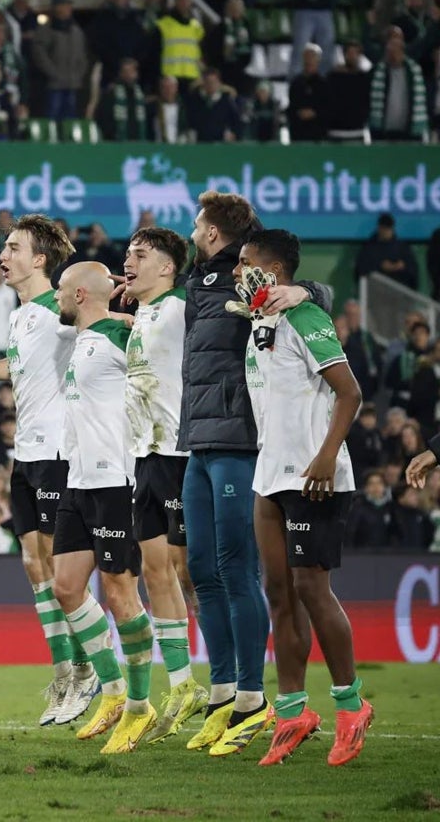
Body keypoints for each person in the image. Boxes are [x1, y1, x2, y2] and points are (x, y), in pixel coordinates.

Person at [180, 191, 332, 756]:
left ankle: (252, 697)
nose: (194, 230)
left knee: (234, 565)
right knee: (199, 568)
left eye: (199, 223)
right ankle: (222, 694)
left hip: (239, 438)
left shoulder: (250, 277)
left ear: (217, 233)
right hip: (195, 436)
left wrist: (305, 289)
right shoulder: (199, 282)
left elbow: (311, 294)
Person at [230, 229, 373, 767]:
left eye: (246, 263)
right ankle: (291, 715)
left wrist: (325, 455)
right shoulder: (259, 321)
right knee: (278, 591)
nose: (239, 272)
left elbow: (350, 390)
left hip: (315, 474)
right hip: (270, 474)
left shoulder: (303, 316)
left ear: (275, 268)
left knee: (313, 588)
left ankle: (351, 705)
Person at [0, 215, 98, 727]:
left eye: (14, 247)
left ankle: (88, 668)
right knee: (33, 564)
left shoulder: (61, 309)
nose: (5, 253)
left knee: (63, 573)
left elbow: (104, 320)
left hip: (62, 452)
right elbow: (20, 367)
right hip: (28, 455)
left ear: (39, 259)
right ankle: (65, 670)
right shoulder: (19, 318)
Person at [50, 261, 156, 754]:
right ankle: (112, 692)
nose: (55, 299)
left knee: (120, 593)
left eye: (58, 291)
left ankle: (139, 706)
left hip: (115, 481)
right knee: (67, 588)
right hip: (78, 481)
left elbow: (158, 368)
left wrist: (138, 322)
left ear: (79, 293)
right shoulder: (82, 341)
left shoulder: (120, 332)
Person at [121, 227, 210, 742]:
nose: (129, 261)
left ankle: (235, 683)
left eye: (141, 254)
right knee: (156, 571)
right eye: (128, 253)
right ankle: (182, 684)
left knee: (189, 569)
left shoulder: (183, 305)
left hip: (181, 452)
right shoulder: (144, 316)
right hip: (146, 456)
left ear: (170, 267)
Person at [31, 0, 88, 122]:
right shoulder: (45, 30)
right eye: (64, 5)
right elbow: (39, 55)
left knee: (70, 117)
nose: (68, 9)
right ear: (56, 8)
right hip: (53, 84)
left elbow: (82, 55)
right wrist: (53, 73)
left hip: (73, 83)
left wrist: (79, 73)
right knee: (52, 114)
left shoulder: (76, 31)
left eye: (69, 6)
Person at [355, 213, 419, 290]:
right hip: (375, 293)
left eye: (388, 229)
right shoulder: (369, 248)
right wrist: (380, 267)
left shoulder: (403, 248)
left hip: (398, 294)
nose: (386, 232)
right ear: (379, 228)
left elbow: (413, 273)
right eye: (384, 228)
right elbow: (361, 271)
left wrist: (401, 267)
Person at [288, 44, 328, 142]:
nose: (309, 60)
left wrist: (315, 113)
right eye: (307, 57)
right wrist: (299, 113)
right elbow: (292, 106)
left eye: (312, 57)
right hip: (298, 135)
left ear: (318, 60)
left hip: (318, 135)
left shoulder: (324, 84)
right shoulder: (296, 83)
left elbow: (328, 107)